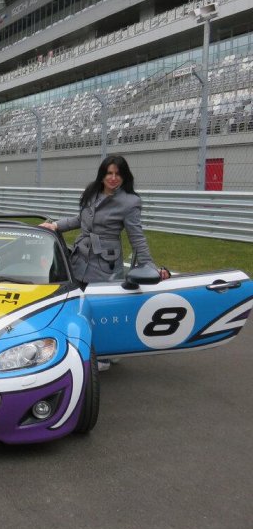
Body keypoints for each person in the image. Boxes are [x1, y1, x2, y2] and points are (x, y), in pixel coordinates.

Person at [40, 155, 168, 369]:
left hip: (105, 263)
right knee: (76, 303)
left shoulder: (130, 202)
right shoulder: (92, 192)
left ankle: (106, 355)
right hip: (79, 258)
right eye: (109, 173)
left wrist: (148, 265)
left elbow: (137, 237)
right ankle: (80, 346)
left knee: (101, 308)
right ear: (102, 174)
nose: (113, 178)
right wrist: (56, 225)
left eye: (118, 174)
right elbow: (80, 220)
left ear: (124, 176)